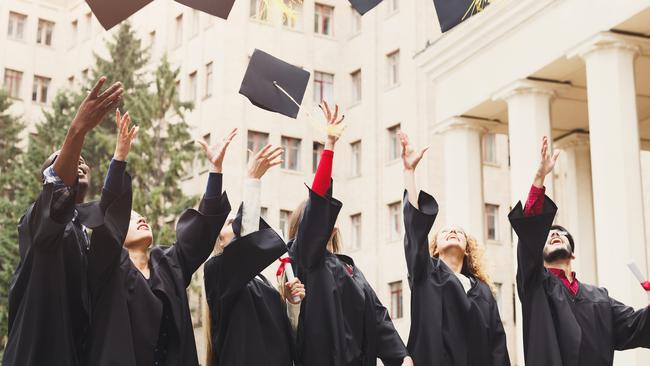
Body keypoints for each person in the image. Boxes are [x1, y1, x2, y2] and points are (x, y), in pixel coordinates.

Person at [85, 128, 236, 366]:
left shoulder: (168, 263)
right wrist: (120, 157)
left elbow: (199, 233)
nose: (141, 219)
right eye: (131, 218)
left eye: (142, 215)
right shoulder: (108, 269)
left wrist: (215, 171)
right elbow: (110, 214)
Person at [3, 77, 127, 366]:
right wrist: (78, 129)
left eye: (82, 160)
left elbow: (110, 213)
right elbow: (57, 188)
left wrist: (119, 157)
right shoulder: (36, 223)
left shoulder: (86, 230)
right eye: (70, 161)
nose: (79, 163)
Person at [288, 102, 412, 366]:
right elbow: (320, 199)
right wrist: (330, 147)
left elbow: (379, 318)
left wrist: (402, 358)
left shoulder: (350, 270)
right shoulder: (306, 257)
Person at [509, 136, 650, 366]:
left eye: (561, 234)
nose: (554, 234)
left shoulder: (599, 299)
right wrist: (539, 178)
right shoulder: (535, 285)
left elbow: (636, 326)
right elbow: (529, 238)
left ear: (573, 254)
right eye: (547, 235)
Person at [398, 131, 510, 366]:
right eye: (445, 231)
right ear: (435, 249)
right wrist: (410, 173)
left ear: (467, 249)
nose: (452, 232)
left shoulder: (483, 292)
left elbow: (497, 347)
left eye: (459, 232)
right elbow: (414, 232)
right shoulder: (425, 275)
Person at [203, 143, 306, 366]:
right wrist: (252, 180)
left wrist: (291, 304)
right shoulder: (217, 272)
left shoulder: (262, 282)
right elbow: (245, 245)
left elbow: (287, 338)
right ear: (218, 238)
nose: (237, 224)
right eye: (231, 222)